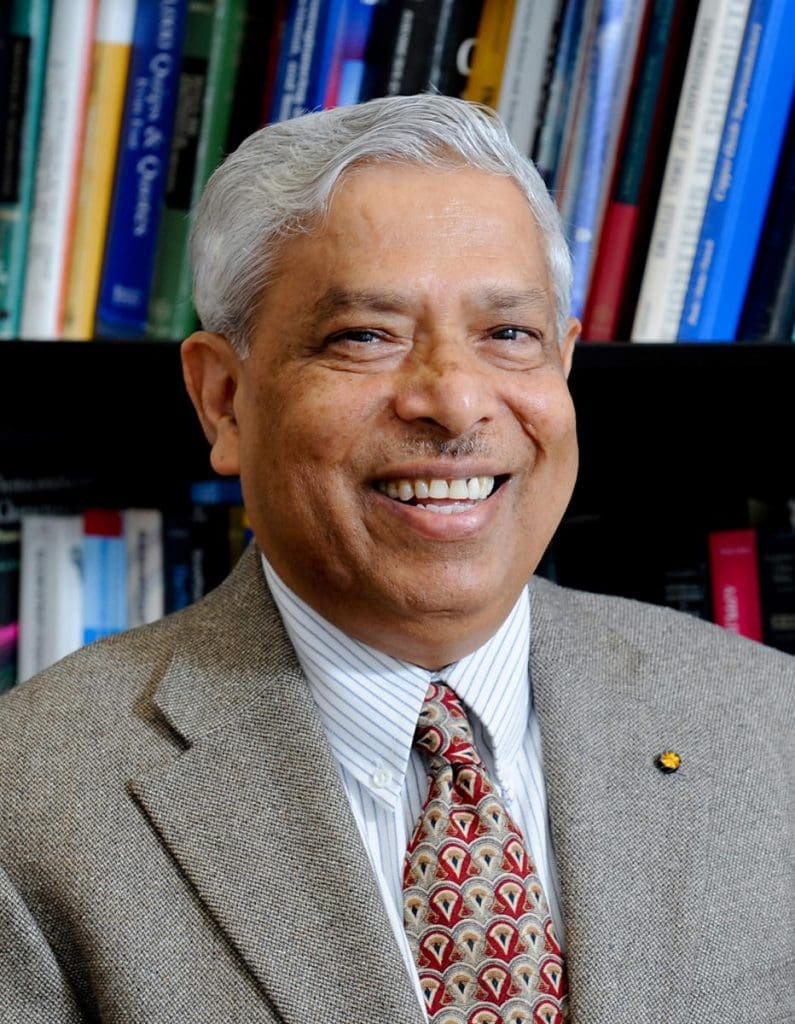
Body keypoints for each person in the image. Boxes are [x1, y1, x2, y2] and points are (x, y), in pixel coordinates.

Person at [0, 95, 792, 1024]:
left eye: (507, 335)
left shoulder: (770, 729)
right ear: (223, 401)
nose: (454, 403)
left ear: (564, 368)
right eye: (364, 337)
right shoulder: (30, 805)